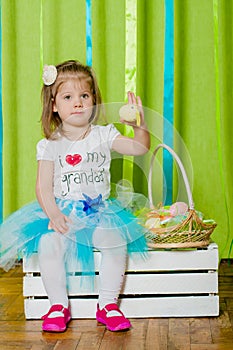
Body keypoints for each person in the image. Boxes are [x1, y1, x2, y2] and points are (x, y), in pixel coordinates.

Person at [0, 60, 150, 333]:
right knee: (49, 244)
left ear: (94, 100)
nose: (78, 103)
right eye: (68, 97)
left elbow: (140, 148)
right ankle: (58, 305)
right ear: (55, 105)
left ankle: (107, 304)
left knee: (115, 241)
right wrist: (54, 214)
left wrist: (138, 125)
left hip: (99, 209)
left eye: (84, 95)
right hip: (63, 211)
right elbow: (43, 187)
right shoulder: (49, 144)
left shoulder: (104, 135)